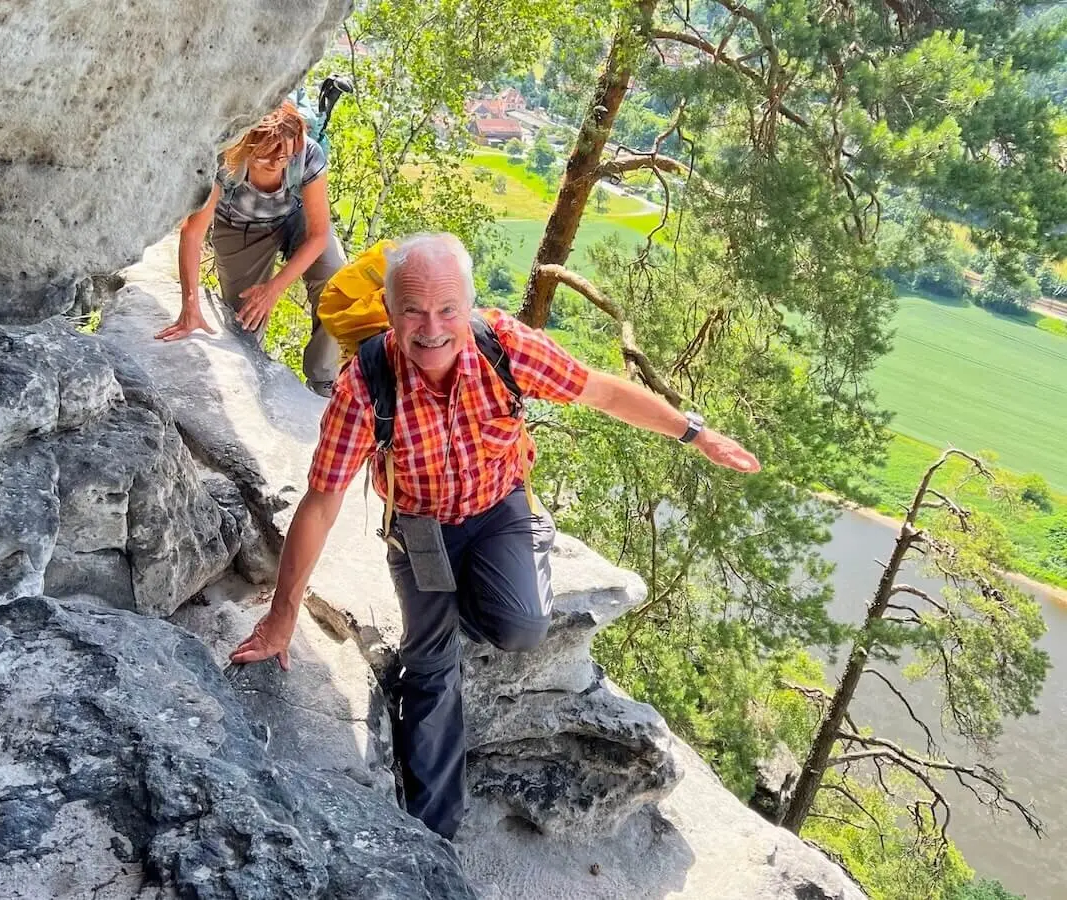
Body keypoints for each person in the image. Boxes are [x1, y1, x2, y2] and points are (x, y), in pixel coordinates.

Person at [228, 233, 760, 840]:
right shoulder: (366, 384)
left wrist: (694, 432)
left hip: (500, 506)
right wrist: (282, 615)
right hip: (421, 525)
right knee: (429, 666)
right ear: (392, 307)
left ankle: (519, 556)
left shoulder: (503, 346)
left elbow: (600, 389)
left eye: (448, 310)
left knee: (521, 628)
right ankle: (431, 839)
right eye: (413, 311)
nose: (431, 329)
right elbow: (322, 502)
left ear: (471, 305)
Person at [155, 102, 343, 396]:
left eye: (284, 156)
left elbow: (319, 235)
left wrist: (275, 288)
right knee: (246, 320)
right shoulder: (226, 160)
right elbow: (193, 233)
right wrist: (189, 305)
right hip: (240, 225)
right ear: (247, 147)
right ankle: (253, 376)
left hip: (297, 216)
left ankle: (323, 381)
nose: (278, 163)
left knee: (335, 279)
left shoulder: (305, 154)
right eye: (267, 158)